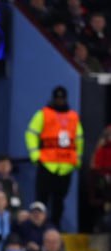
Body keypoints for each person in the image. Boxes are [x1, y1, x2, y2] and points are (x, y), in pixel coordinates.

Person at [25, 86, 83, 226]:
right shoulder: (43, 114)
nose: (59, 101)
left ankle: (55, 227)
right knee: (42, 199)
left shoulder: (73, 117)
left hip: (66, 166)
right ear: (53, 98)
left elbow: (79, 139)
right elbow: (31, 133)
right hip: (47, 163)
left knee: (59, 200)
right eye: (57, 98)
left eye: (62, 98)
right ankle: (40, 228)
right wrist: (35, 154)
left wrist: (78, 158)